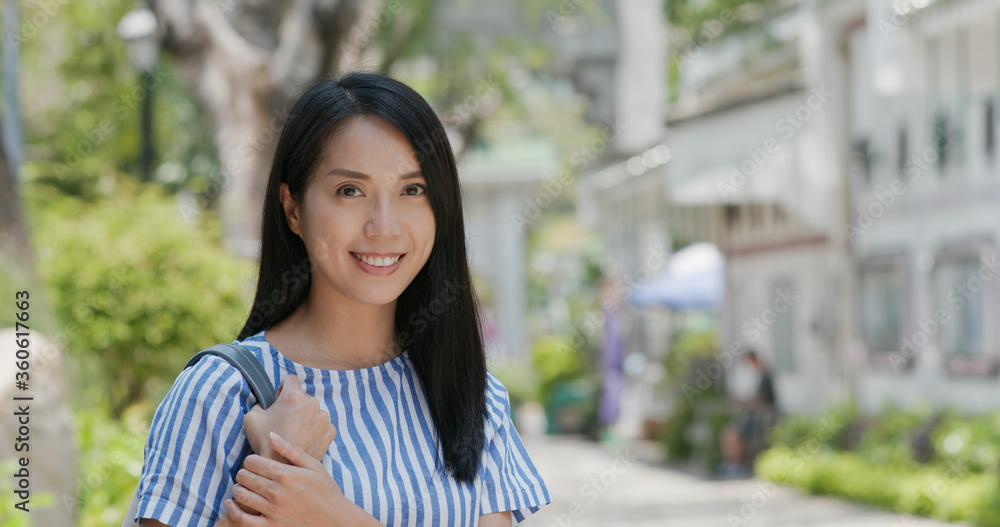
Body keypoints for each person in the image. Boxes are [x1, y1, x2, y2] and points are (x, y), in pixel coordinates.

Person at [132, 72, 551, 527]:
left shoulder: (470, 394)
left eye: (412, 190)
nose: (384, 226)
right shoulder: (221, 395)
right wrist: (275, 474)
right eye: (350, 191)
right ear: (293, 209)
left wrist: (332, 517)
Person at [719, 350, 777, 477]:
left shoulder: (765, 377)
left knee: (733, 435)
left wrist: (742, 402)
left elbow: (761, 402)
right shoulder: (759, 376)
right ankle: (733, 463)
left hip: (759, 420)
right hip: (753, 418)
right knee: (728, 433)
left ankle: (738, 465)